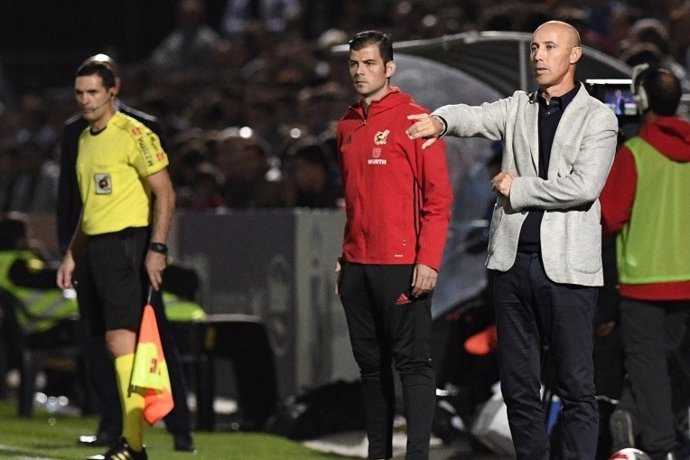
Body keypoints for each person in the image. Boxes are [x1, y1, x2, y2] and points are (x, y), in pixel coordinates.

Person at [406, 20, 619, 459]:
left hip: (568, 270)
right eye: (536, 47)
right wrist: (440, 120)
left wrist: (517, 187)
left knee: (577, 385)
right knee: (519, 385)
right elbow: (475, 115)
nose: (538, 55)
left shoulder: (598, 117)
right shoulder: (518, 106)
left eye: (550, 47)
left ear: (574, 55)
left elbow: (583, 186)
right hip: (512, 265)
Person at [57, 54, 195, 453]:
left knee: (124, 342)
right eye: (80, 93)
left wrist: (156, 247)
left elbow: (165, 191)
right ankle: (129, 438)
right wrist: (71, 254)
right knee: (112, 344)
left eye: (93, 92)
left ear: (112, 91)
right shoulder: (83, 139)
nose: (85, 101)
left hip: (127, 245)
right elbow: (90, 207)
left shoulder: (135, 133)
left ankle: (134, 443)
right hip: (96, 248)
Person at [336, 30, 453, 460]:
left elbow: (439, 199)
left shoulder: (414, 119)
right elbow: (353, 199)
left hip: (402, 264)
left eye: (369, 63)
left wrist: (429, 261)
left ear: (390, 68)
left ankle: (417, 455)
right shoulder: (347, 123)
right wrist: (343, 257)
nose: (360, 72)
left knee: (413, 367)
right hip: (357, 266)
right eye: (354, 64)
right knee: (371, 369)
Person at [600, 65, 690, 460]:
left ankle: (659, 446)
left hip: (642, 281)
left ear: (642, 102)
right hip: (687, 279)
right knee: (666, 361)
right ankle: (630, 415)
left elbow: (611, 217)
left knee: (647, 365)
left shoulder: (634, 153)